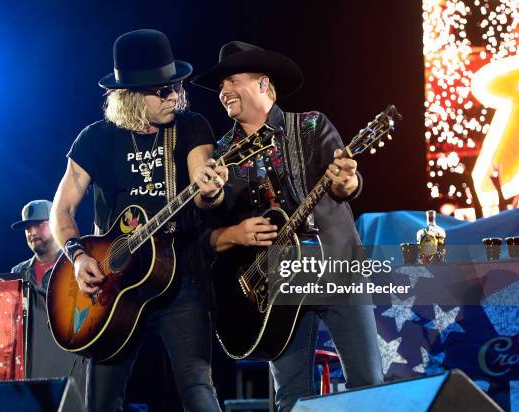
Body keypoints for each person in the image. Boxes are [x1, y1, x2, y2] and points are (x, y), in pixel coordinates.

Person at [192, 41, 384, 411]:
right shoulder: (220, 157)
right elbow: (202, 236)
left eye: (231, 81)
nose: (223, 91)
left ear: (263, 84)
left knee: (368, 386)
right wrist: (235, 234)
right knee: (292, 396)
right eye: (220, 86)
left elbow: (347, 185)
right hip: (276, 290)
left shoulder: (311, 125)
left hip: (338, 269)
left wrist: (346, 182)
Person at [49, 29, 225, 411]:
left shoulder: (191, 125)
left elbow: (202, 174)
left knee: (197, 388)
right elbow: (61, 209)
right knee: (101, 402)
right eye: (162, 91)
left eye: (176, 86)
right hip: (113, 287)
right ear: (129, 96)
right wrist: (78, 256)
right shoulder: (95, 139)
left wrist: (210, 188)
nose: (174, 96)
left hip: (179, 278)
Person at [11, 199, 84, 383]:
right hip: (31, 368)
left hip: (69, 365)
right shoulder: (17, 272)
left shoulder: (76, 266)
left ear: (56, 224)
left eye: (39, 224)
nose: (32, 232)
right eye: (28, 227)